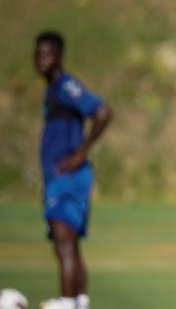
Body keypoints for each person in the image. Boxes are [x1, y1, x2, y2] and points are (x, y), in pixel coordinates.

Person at [35, 31, 113, 309]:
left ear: (60, 57)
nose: (41, 60)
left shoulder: (65, 86)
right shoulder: (53, 89)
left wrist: (81, 152)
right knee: (69, 244)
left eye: (47, 55)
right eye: (38, 55)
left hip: (67, 178)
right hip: (60, 178)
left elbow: (103, 112)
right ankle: (79, 302)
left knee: (64, 243)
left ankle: (67, 304)